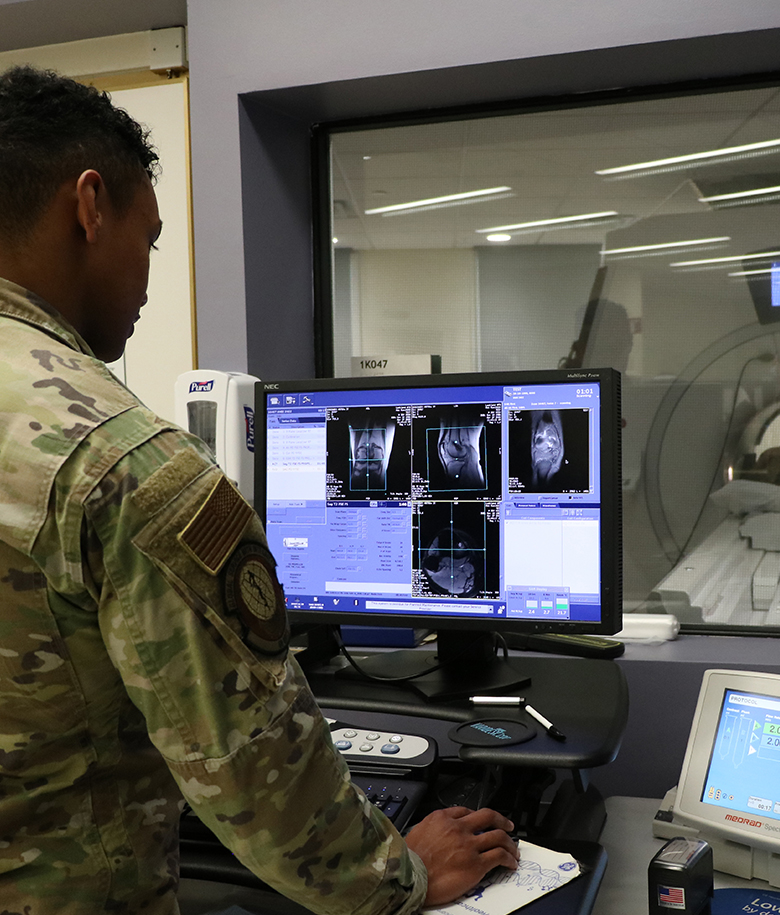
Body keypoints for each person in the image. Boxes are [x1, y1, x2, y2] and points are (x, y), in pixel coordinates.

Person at [0, 66, 519, 914]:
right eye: (151, 237)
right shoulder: (123, 461)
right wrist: (402, 874)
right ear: (90, 206)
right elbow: (257, 773)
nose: (146, 277)